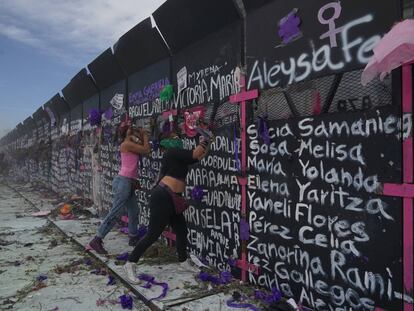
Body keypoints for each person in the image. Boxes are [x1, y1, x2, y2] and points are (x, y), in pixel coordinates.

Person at [123, 131, 212, 284]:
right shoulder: (172, 152)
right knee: (152, 234)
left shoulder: (179, 157)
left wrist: (208, 142)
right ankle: (130, 263)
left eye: (177, 136)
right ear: (166, 142)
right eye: (174, 137)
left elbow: (198, 156)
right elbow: (196, 151)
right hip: (163, 196)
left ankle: (183, 261)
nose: (177, 138)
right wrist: (204, 139)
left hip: (173, 198)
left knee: (182, 230)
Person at [87, 124, 150, 254]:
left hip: (128, 181)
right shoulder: (126, 144)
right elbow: (146, 149)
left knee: (134, 210)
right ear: (127, 133)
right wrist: (145, 135)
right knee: (116, 212)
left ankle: (133, 237)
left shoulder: (129, 143)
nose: (135, 132)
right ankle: (97, 239)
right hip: (124, 182)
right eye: (132, 130)